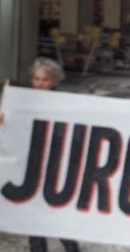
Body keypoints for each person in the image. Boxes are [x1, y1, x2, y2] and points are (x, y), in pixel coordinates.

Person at [3, 59, 82, 252]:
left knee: (56, 211)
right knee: (33, 212)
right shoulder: (23, 102)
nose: (40, 83)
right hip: (30, 164)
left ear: (54, 81)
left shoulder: (64, 104)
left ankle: (71, 247)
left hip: (55, 165)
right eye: (36, 79)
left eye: (45, 80)